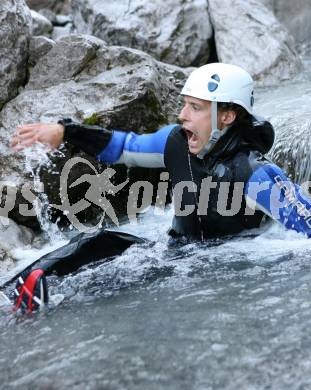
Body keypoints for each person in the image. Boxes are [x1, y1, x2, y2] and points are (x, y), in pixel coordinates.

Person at [10, 63, 311, 313]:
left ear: (227, 116)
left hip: (231, 278)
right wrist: (65, 131)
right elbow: (124, 147)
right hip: (175, 258)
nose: (182, 114)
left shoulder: (257, 174)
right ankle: (13, 294)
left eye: (195, 107)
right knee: (99, 242)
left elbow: (305, 229)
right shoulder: (176, 142)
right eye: (184, 104)